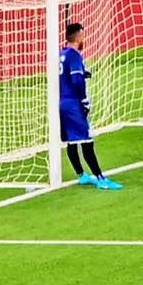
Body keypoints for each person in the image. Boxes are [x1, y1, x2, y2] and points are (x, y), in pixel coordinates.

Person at [60, 23, 122, 190]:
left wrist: (83, 72)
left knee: (72, 142)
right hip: (73, 103)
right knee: (87, 141)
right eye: (83, 37)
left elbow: (64, 76)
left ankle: (81, 175)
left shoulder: (62, 55)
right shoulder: (74, 56)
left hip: (61, 102)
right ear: (79, 38)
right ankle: (101, 179)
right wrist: (84, 100)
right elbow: (76, 82)